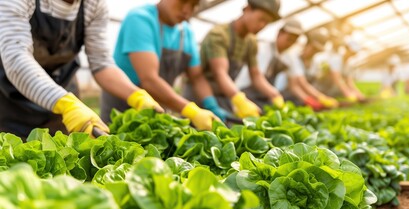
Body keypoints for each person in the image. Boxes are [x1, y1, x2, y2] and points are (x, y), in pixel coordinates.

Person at [0, 0, 162, 138]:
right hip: (9, 98)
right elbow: (16, 56)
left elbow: (101, 63)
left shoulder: (93, 4)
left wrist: (136, 96)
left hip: (62, 91)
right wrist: (65, 103)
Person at [104, 0, 223, 130]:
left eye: (194, 5)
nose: (187, 10)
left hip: (159, 107)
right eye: (183, 2)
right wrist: (191, 111)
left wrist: (211, 104)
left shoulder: (186, 32)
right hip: (124, 106)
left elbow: (197, 77)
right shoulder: (140, 19)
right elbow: (149, 79)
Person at [195, 0, 285, 118]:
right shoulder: (219, 35)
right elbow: (220, 73)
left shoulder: (251, 42)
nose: (262, 25)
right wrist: (240, 100)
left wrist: (274, 94)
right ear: (247, 9)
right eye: (261, 19)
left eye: (267, 23)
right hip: (200, 96)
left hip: (224, 97)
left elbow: (256, 75)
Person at [238, 19, 338, 110]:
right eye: (289, 39)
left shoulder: (288, 56)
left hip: (263, 96)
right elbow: (257, 77)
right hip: (245, 94)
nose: (290, 43)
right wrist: (275, 94)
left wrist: (309, 99)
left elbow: (294, 82)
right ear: (279, 33)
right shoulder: (263, 48)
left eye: (294, 41)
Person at [309, 29, 361, 101]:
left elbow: (349, 81)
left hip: (328, 90)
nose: (352, 55)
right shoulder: (336, 59)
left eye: (354, 54)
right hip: (318, 88)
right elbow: (337, 79)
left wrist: (358, 94)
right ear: (346, 48)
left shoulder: (348, 64)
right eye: (351, 52)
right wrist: (348, 93)